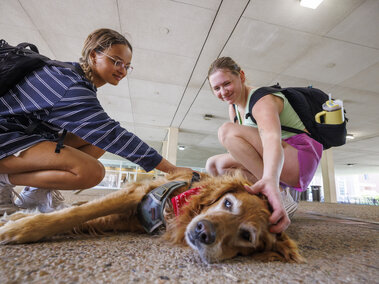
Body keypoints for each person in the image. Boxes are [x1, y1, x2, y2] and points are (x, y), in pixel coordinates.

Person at [0, 28, 192, 215]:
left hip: (22, 135)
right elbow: (112, 135)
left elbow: (103, 135)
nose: (122, 70)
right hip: (6, 138)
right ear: (93, 56)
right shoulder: (70, 84)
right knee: (90, 172)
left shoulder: (70, 76)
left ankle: (35, 194)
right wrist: (171, 169)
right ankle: (3, 180)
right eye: (116, 61)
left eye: (127, 65)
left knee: (96, 143)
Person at [205, 57, 323, 233]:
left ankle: (278, 193)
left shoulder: (262, 100)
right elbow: (245, 152)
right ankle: (266, 204)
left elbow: (271, 140)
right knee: (215, 166)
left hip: (299, 158)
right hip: (278, 160)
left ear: (241, 76)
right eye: (217, 88)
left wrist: (270, 179)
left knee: (226, 132)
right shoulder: (234, 110)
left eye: (227, 83)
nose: (223, 92)